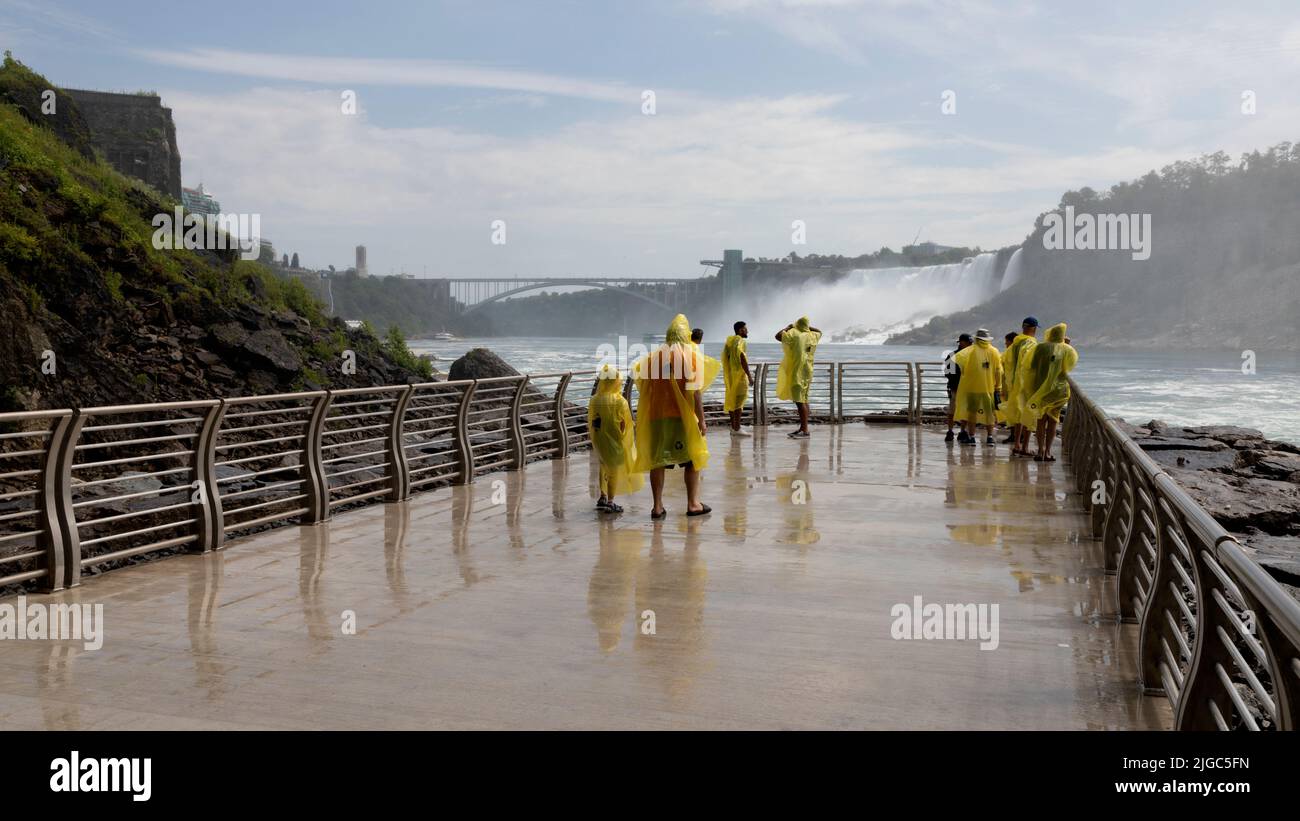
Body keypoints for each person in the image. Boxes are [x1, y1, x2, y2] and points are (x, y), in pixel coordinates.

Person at [632, 314, 720, 518]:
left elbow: (643, 386)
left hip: (656, 417)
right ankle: (693, 504)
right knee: (692, 460)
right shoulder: (690, 356)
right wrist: (702, 420)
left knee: (658, 461)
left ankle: (657, 506)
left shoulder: (652, 358)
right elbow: (695, 391)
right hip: (682, 418)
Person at [588, 363, 643, 513]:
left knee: (603, 466)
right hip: (615, 440)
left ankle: (603, 496)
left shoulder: (594, 400)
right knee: (613, 470)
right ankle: (611, 501)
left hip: (599, 440)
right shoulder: (620, 401)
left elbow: (592, 420)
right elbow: (625, 423)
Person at [1021, 323, 1078, 462]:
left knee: (1041, 421)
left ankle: (1040, 451)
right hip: (1058, 391)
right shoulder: (1067, 349)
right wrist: (1067, 345)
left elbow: (1031, 366)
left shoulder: (1040, 348)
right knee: (1053, 421)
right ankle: (1048, 451)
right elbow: (1069, 366)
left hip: (1040, 390)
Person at [952, 328, 1003, 446]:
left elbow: (958, 362)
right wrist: (998, 387)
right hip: (988, 388)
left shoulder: (970, 351)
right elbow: (999, 371)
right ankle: (990, 437)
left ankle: (972, 437)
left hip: (972, 388)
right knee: (990, 414)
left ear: (976, 339)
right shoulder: (995, 351)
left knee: (972, 413)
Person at [775, 316, 822, 438]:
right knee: (804, 399)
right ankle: (803, 428)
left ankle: (805, 430)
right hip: (807, 372)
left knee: (799, 401)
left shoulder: (795, 335)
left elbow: (778, 336)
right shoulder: (813, 336)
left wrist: (789, 327)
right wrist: (807, 328)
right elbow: (819, 331)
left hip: (797, 372)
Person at [1000, 317, 1039, 455]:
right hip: (1027, 384)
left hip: (1015, 385)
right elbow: (1030, 364)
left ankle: (1016, 444)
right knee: (1029, 415)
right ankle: (1025, 447)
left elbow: (1004, 361)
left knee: (1018, 415)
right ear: (1034, 328)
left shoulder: (1015, 344)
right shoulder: (1031, 343)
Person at [722, 321, 751, 435]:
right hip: (739, 376)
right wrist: (749, 375)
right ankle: (737, 428)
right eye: (745, 329)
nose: (747, 331)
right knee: (739, 402)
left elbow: (726, 357)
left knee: (732, 400)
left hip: (731, 375)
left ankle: (734, 427)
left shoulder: (730, 341)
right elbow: (742, 356)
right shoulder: (740, 341)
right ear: (740, 330)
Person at [943, 333, 972, 443]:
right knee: (957, 410)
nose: (970, 344)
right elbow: (948, 372)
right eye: (969, 342)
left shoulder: (952, 355)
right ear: (962, 343)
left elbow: (947, 373)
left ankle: (954, 431)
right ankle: (959, 431)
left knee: (956, 411)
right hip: (958, 387)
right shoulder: (966, 356)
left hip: (956, 387)